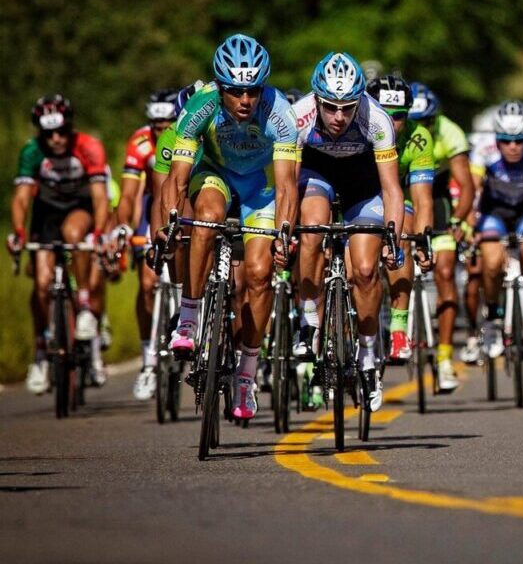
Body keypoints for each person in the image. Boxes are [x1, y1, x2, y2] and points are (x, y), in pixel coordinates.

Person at [160, 33, 299, 420]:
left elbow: (287, 185)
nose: (245, 101)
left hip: (258, 189)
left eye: (253, 91)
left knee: (258, 274)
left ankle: (246, 376)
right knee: (206, 217)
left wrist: (285, 233)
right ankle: (188, 316)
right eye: (236, 92)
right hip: (215, 177)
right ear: (220, 87)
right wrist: (173, 219)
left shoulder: (279, 112)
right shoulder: (201, 107)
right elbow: (177, 176)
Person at [290, 55, 404, 412]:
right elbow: (286, 184)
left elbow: (392, 190)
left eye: (347, 108)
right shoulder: (298, 116)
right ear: (317, 100)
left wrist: (393, 237)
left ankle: (369, 357)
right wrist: (285, 232)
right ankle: (309, 320)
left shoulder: (377, 119)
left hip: (363, 183)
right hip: (316, 174)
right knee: (311, 228)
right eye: (330, 107)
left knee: (367, 270)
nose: (339, 117)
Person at [8, 95, 110, 393]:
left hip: (80, 209)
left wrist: (101, 232)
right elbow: (23, 198)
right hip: (46, 214)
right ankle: (40, 351)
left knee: (74, 234)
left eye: (61, 131)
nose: (55, 139)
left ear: (71, 128)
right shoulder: (32, 151)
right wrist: (18, 231)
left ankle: (84, 304)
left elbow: (101, 197)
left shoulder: (89, 147)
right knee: (41, 283)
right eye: (48, 133)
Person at [470, 100, 523, 364]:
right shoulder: (484, 151)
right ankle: (493, 319)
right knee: (492, 262)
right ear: (496, 138)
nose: (513, 147)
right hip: (495, 213)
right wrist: (470, 223)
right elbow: (473, 190)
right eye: (506, 140)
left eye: (519, 140)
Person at [112, 89, 179, 400]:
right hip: (151, 204)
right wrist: (125, 226)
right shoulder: (140, 142)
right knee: (148, 282)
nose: (162, 130)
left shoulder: (187, 132)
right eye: (156, 125)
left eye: (167, 124)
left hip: (182, 199)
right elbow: (129, 194)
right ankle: (148, 361)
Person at [364, 75, 435, 366]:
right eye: (383, 113)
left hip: (395, 199)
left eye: (400, 116)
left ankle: (398, 327)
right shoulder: (356, 131)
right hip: (354, 198)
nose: (391, 123)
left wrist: (424, 240)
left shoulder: (419, 137)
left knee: (403, 232)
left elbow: (422, 199)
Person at [408, 82, 474, 392]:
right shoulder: (393, 129)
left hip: (437, 199)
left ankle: (445, 358)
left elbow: (466, 183)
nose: (423, 127)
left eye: (428, 121)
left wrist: (460, 219)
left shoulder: (450, 132)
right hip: (403, 195)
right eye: (417, 121)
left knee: (446, 271)